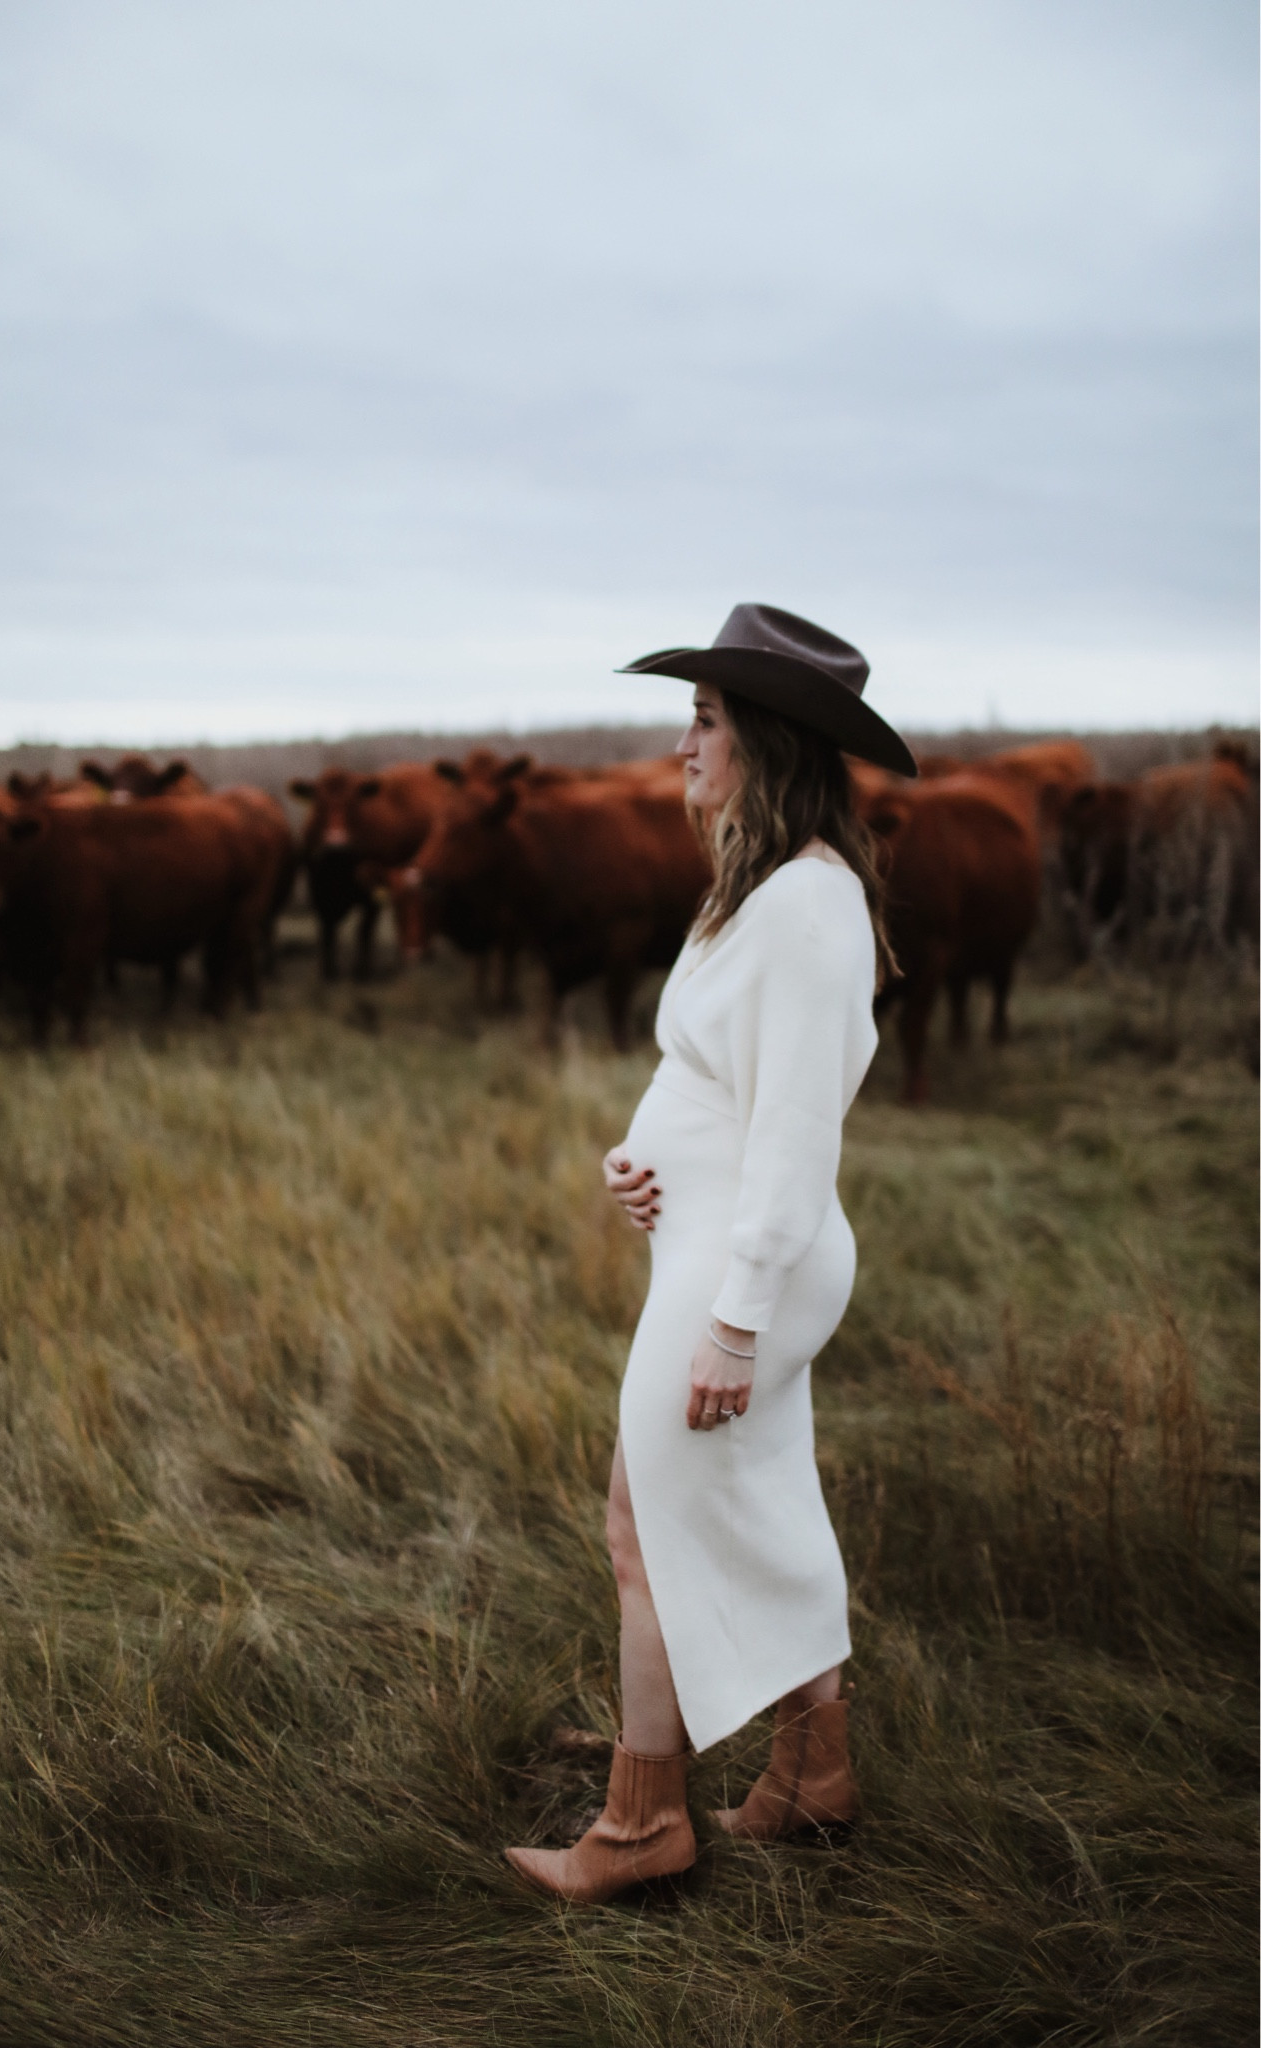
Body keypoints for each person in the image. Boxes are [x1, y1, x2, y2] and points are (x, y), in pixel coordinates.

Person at [505, 603, 917, 1903]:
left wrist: (734, 1314)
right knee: (754, 1505)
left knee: (646, 1520)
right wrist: (653, 1168)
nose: (682, 741)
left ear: (765, 742)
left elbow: (793, 1135)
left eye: (704, 719)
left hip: (754, 1265)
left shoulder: (806, 906)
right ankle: (810, 1771)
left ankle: (638, 1826)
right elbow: (725, 1088)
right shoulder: (756, 887)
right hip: (721, 1244)